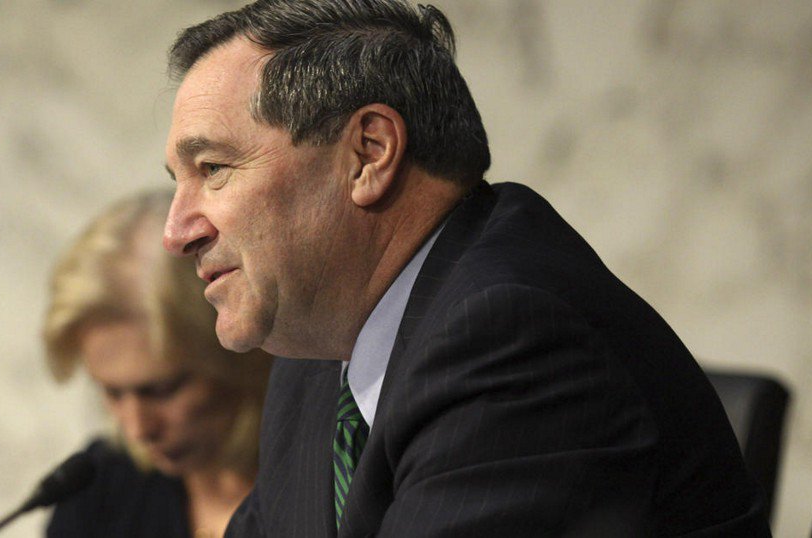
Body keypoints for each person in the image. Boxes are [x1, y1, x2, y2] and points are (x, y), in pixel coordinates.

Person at [160, 1, 771, 536]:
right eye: (177, 182)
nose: (177, 231)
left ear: (369, 154)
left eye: (213, 169)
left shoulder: (513, 337)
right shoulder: (313, 357)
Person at [42, 189, 273, 538]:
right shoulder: (96, 495)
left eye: (162, 390)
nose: (138, 429)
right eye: (112, 392)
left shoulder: (335, 470)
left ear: (239, 350)